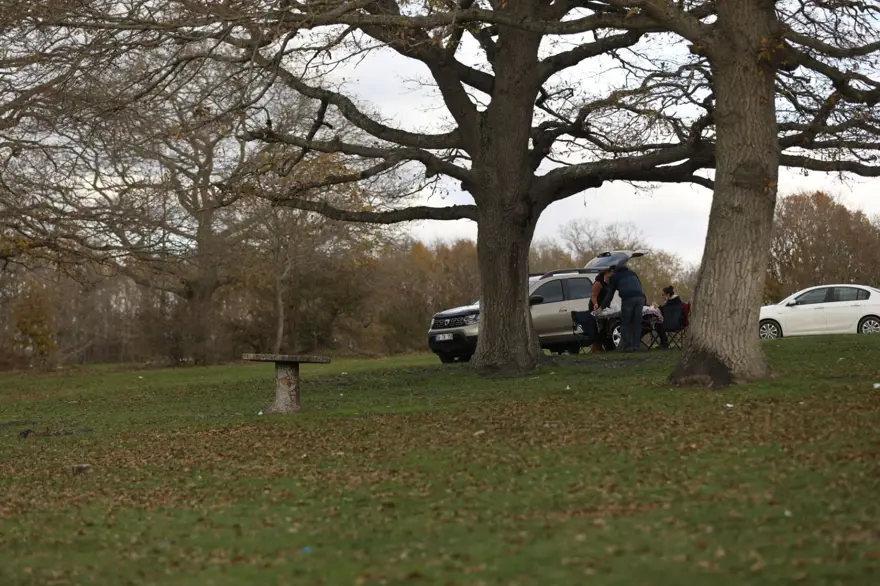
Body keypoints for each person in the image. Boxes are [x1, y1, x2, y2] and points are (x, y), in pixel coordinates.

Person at [601, 263, 646, 352]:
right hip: (640, 298)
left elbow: (610, 294)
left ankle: (628, 347)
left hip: (628, 299)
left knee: (625, 323)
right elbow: (640, 286)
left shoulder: (615, 276)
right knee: (636, 323)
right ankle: (636, 346)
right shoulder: (632, 273)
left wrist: (602, 307)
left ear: (614, 271)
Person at [588, 269, 610, 353]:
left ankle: (600, 346)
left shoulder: (607, 283)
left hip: (603, 308)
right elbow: (593, 296)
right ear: (605, 273)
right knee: (598, 328)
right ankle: (596, 347)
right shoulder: (598, 283)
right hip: (595, 307)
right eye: (610, 273)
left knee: (604, 327)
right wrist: (596, 304)